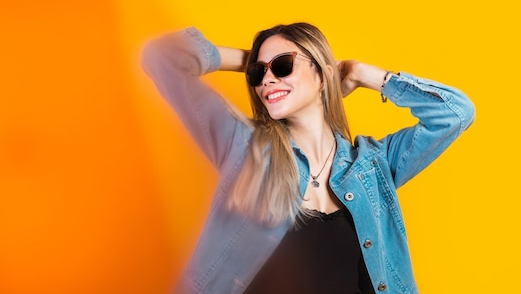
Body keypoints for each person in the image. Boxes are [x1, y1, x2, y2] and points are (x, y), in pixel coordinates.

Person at [141, 23, 475, 294]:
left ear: (323, 74)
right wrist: (248, 62)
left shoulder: (373, 166)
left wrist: (363, 74)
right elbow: (161, 57)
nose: (267, 79)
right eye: (259, 74)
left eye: (283, 66)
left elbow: (454, 113)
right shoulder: (245, 148)